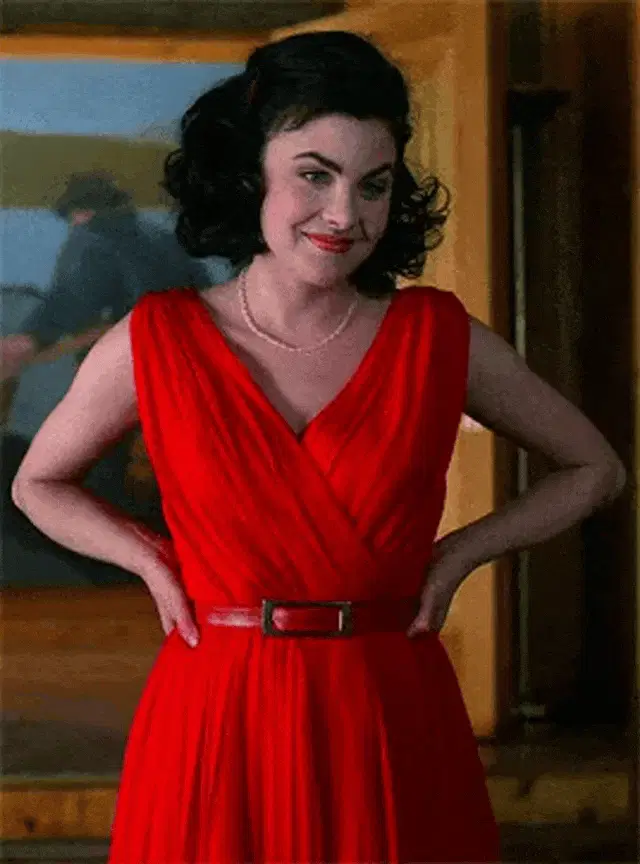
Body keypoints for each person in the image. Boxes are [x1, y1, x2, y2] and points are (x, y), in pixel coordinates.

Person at [11, 31, 626, 863]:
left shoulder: (438, 337)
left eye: (374, 184)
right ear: (248, 174)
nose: (346, 214)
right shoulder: (157, 337)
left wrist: (458, 555)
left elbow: (596, 469)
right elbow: (38, 483)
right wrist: (150, 558)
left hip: (388, 706)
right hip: (217, 705)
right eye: (315, 174)